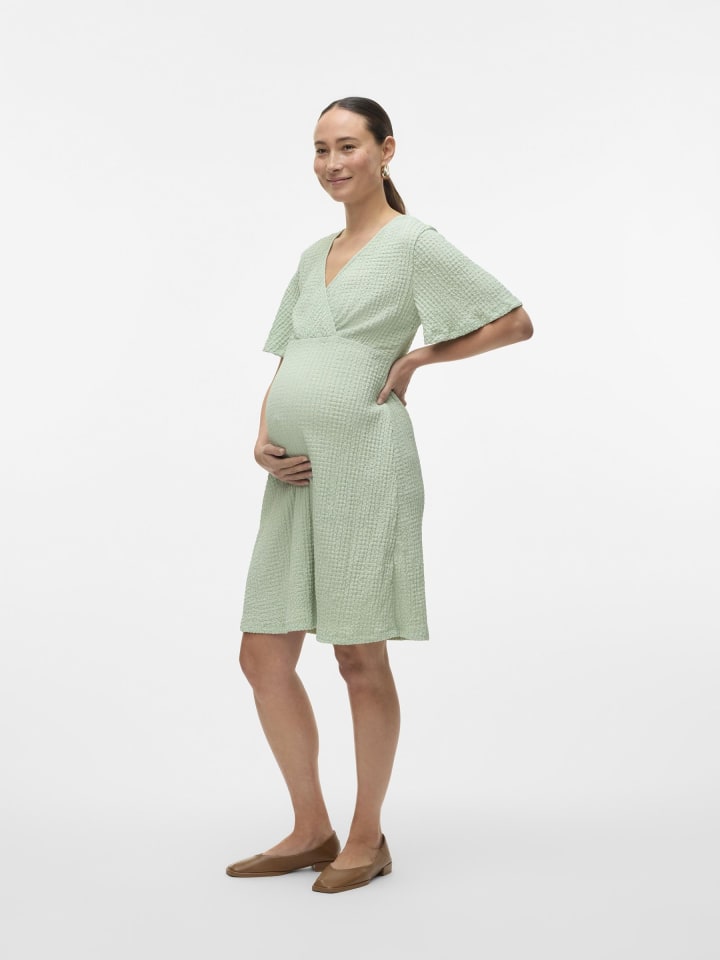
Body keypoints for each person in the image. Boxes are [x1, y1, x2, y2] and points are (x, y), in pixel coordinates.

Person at [227, 96, 533, 894]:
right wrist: (262, 435)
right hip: (294, 476)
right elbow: (290, 354)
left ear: (386, 150)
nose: (332, 163)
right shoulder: (312, 255)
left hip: (365, 467)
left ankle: (366, 838)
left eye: (348, 146)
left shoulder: (413, 244)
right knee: (262, 655)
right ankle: (311, 829)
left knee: (357, 656)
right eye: (320, 149)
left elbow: (513, 321)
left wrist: (421, 358)